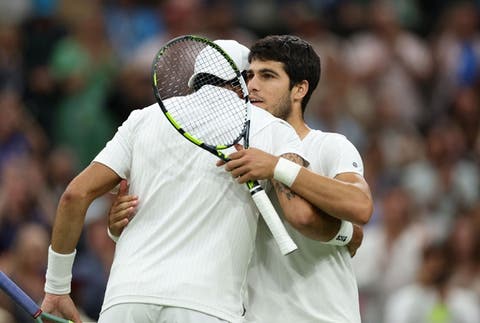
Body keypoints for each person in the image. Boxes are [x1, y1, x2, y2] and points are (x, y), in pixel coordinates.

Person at [40, 39, 316, 323]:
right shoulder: (272, 127)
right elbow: (301, 212)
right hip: (206, 306)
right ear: (245, 80)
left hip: (126, 302)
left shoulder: (142, 119)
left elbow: (75, 195)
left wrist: (57, 288)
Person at [109, 35, 373, 322]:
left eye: (268, 76)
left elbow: (360, 206)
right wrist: (120, 224)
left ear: (299, 89)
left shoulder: (328, 145)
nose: (253, 85)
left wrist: (277, 167)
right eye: (248, 76)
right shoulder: (228, 147)